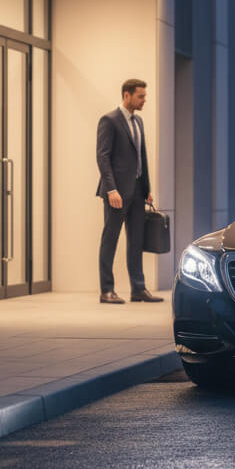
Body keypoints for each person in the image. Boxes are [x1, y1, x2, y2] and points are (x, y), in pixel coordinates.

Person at [95, 78, 162, 304]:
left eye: (144, 95)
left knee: (136, 241)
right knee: (110, 240)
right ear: (127, 95)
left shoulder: (138, 122)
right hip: (116, 194)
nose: (144, 100)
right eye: (141, 96)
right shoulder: (109, 120)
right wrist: (111, 189)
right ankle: (106, 290)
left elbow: (141, 157)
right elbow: (103, 157)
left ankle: (138, 289)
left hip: (136, 192)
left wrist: (147, 188)